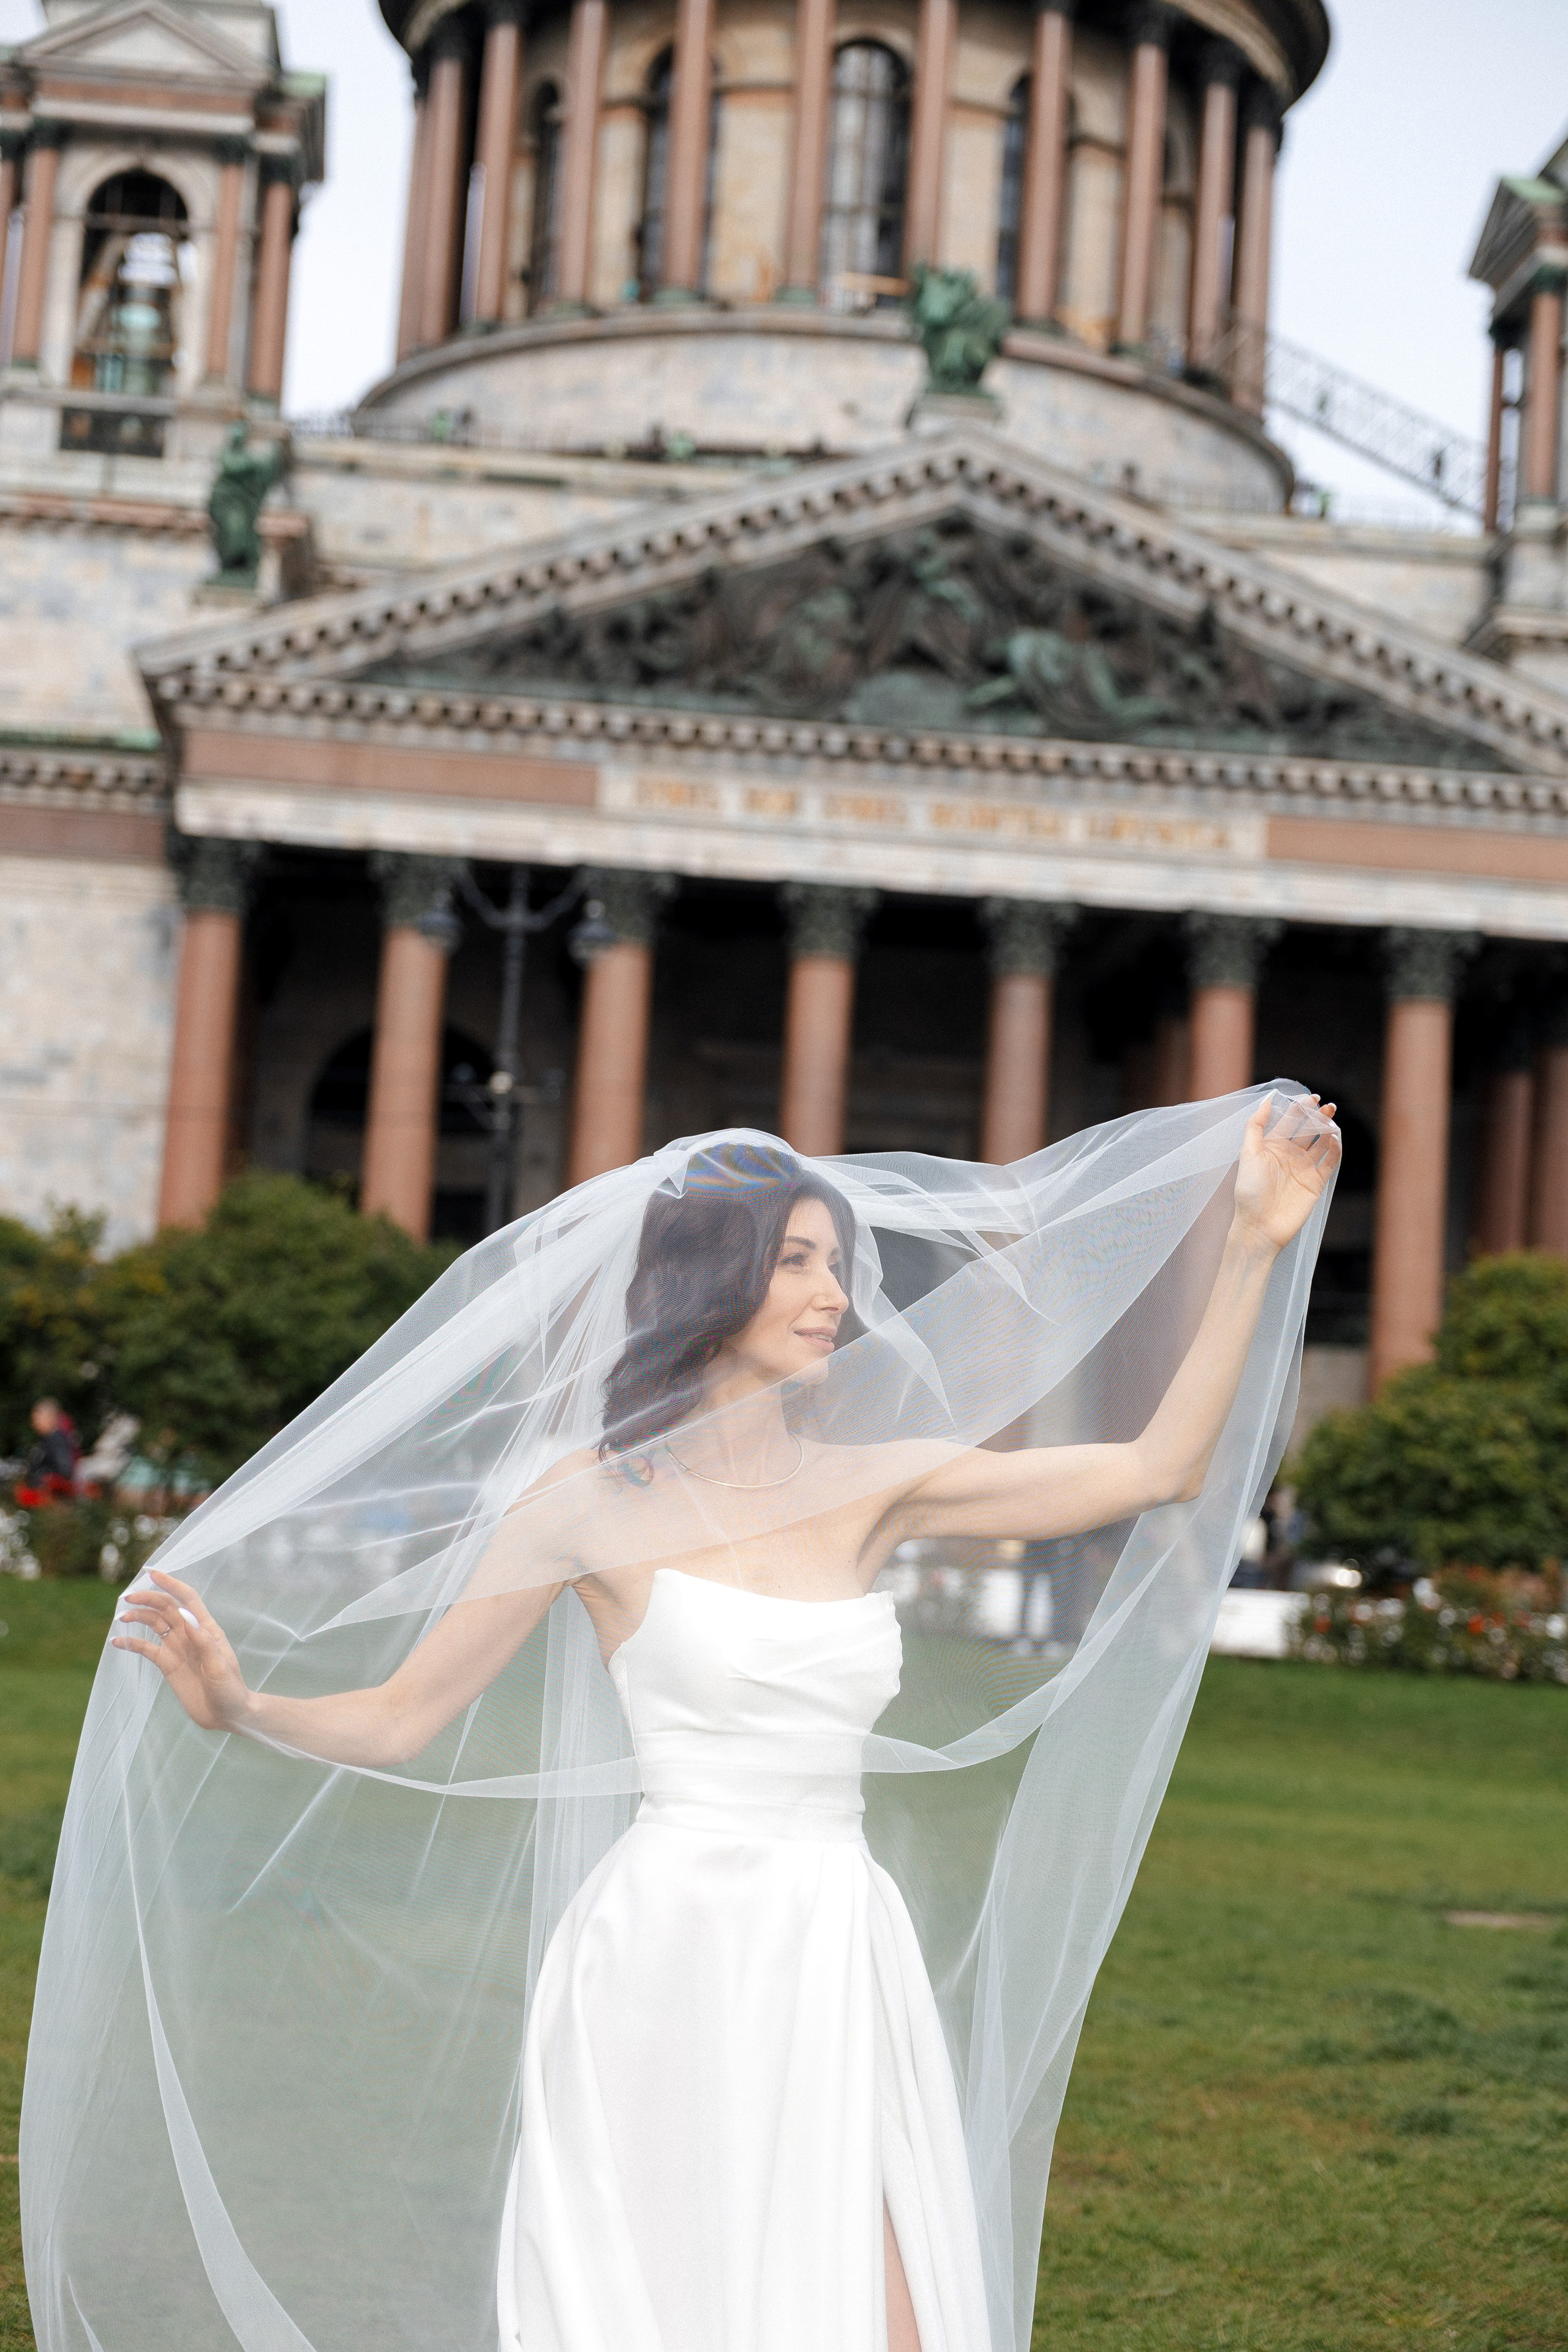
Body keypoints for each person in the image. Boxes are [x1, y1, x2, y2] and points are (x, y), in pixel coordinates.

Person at [26, 1087, 1338, 2352]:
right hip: (663, 1950)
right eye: (801, 1265)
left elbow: (1153, 1470)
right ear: (714, 1287)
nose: (838, 1296)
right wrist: (242, 1705)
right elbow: (399, 1716)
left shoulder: (867, 1485)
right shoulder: (579, 1504)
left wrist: (1247, 1250)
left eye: (838, 1264)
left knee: (880, 2306)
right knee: (659, 2290)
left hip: (832, 1937)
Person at [15, 1398, 78, 1508]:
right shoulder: (46, 1441)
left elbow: (63, 1472)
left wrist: (42, 1482)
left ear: (49, 1418)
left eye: (37, 1419)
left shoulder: (57, 1441)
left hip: (50, 1500)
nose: (34, 1424)